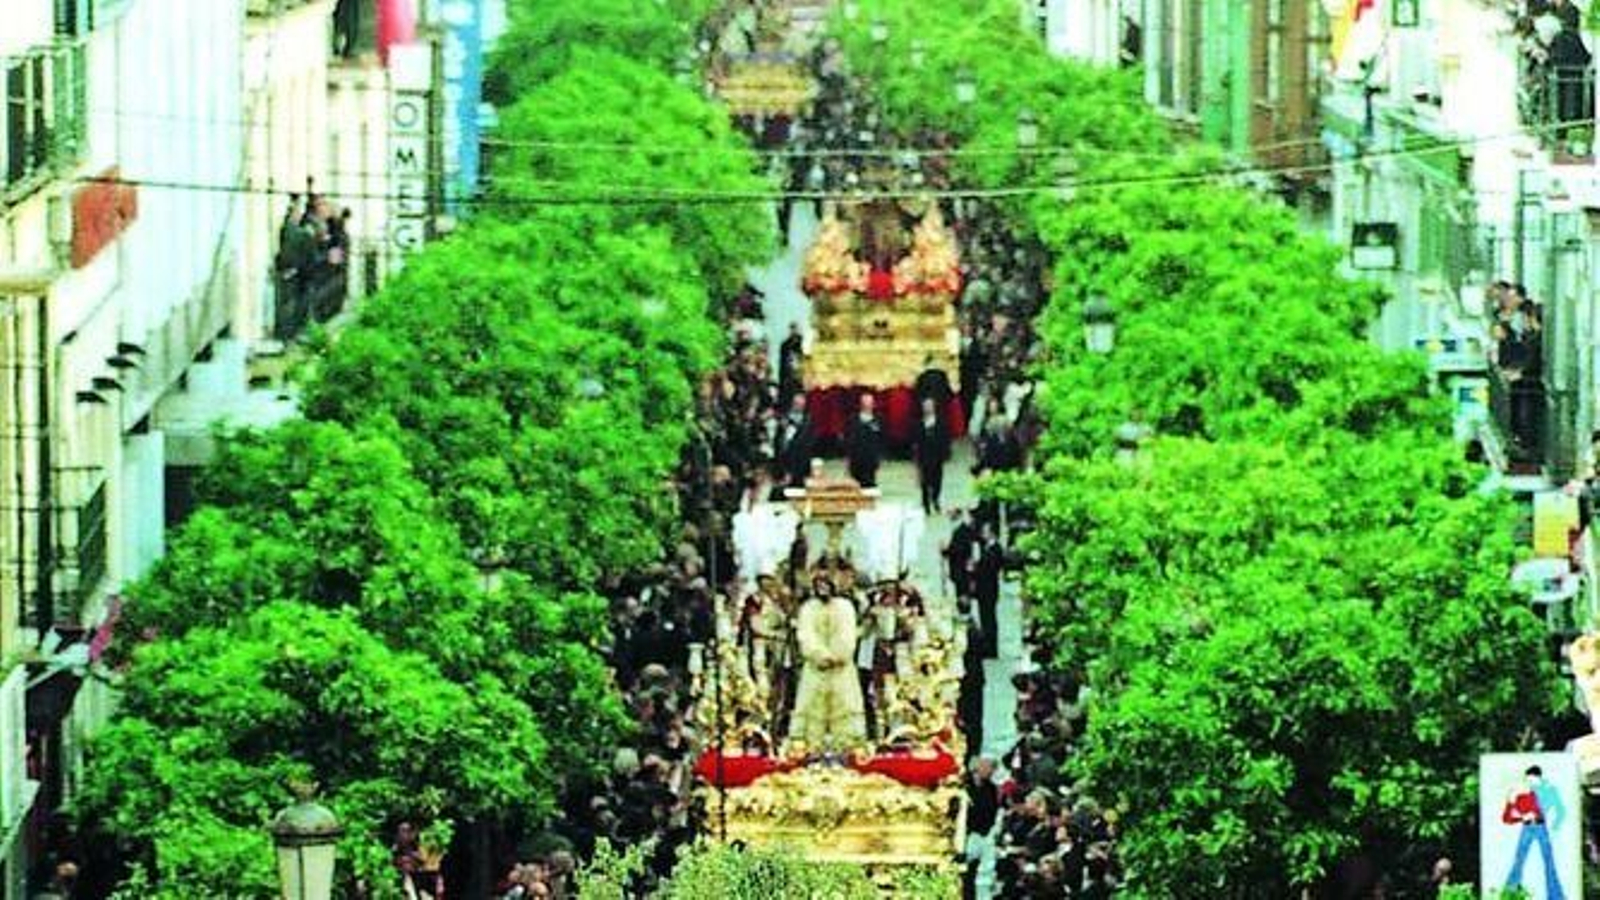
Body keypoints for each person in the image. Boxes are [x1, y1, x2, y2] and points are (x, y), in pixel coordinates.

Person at [791, 579, 866, 750]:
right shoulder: (808, 608)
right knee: (811, 707)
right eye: (819, 585)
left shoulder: (845, 607)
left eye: (826, 584)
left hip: (842, 669)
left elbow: (848, 632)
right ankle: (810, 749)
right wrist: (819, 655)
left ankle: (848, 749)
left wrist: (839, 655)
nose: (822, 589)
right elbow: (805, 634)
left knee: (846, 706)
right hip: (815, 668)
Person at [1502, 764, 1568, 899]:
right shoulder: (1522, 796)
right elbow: (1507, 818)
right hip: (1527, 827)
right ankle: (1509, 892)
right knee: (1519, 858)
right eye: (1528, 780)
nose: (1530, 782)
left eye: (1531, 779)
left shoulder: (1548, 791)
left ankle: (1556, 896)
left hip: (1540, 826)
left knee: (1548, 860)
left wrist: (1555, 827)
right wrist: (1512, 803)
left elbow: (1560, 810)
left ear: (1538, 778)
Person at [913, 397, 951, 514]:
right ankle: (925, 504)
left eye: (930, 406)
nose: (928, 408)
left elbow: (945, 438)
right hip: (924, 456)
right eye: (925, 406)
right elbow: (916, 441)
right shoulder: (919, 423)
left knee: (937, 480)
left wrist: (945, 453)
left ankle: (935, 498)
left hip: (937, 455)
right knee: (925, 481)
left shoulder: (941, 422)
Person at [973, 524, 1003, 659]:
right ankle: (988, 646)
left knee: (989, 619)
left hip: (988, 590)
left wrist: (975, 569)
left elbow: (989, 569)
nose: (982, 534)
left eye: (985, 532)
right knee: (985, 618)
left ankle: (991, 648)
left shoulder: (995, 549)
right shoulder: (987, 548)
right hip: (985, 589)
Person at [844, 393, 884, 487]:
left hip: (871, 461)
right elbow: (848, 440)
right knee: (855, 488)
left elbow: (882, 440)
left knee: (869, 488)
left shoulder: (878, 419)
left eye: (870, 402)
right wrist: (848, 458)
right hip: (856, 461)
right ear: (860, 404)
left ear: (874, 404)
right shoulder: (852, 419)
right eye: (865, 402)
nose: (867, 404)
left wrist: (879, 458)